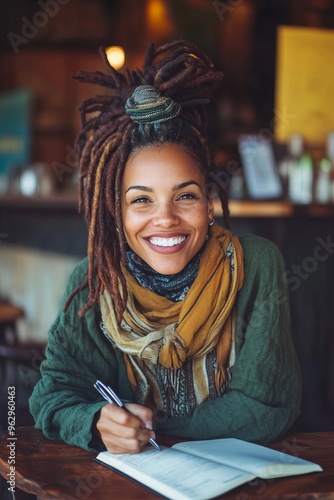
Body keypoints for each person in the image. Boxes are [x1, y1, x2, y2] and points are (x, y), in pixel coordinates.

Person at [29, 40, 301, 454]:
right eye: (141, 200)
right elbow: (51, 397)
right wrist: (95, 420)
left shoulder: (255, 265)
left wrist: (150, 426)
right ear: (115, 214)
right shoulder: (93, 282)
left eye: (186, 196)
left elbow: (268, 407)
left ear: (209, 203)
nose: (165, 218)